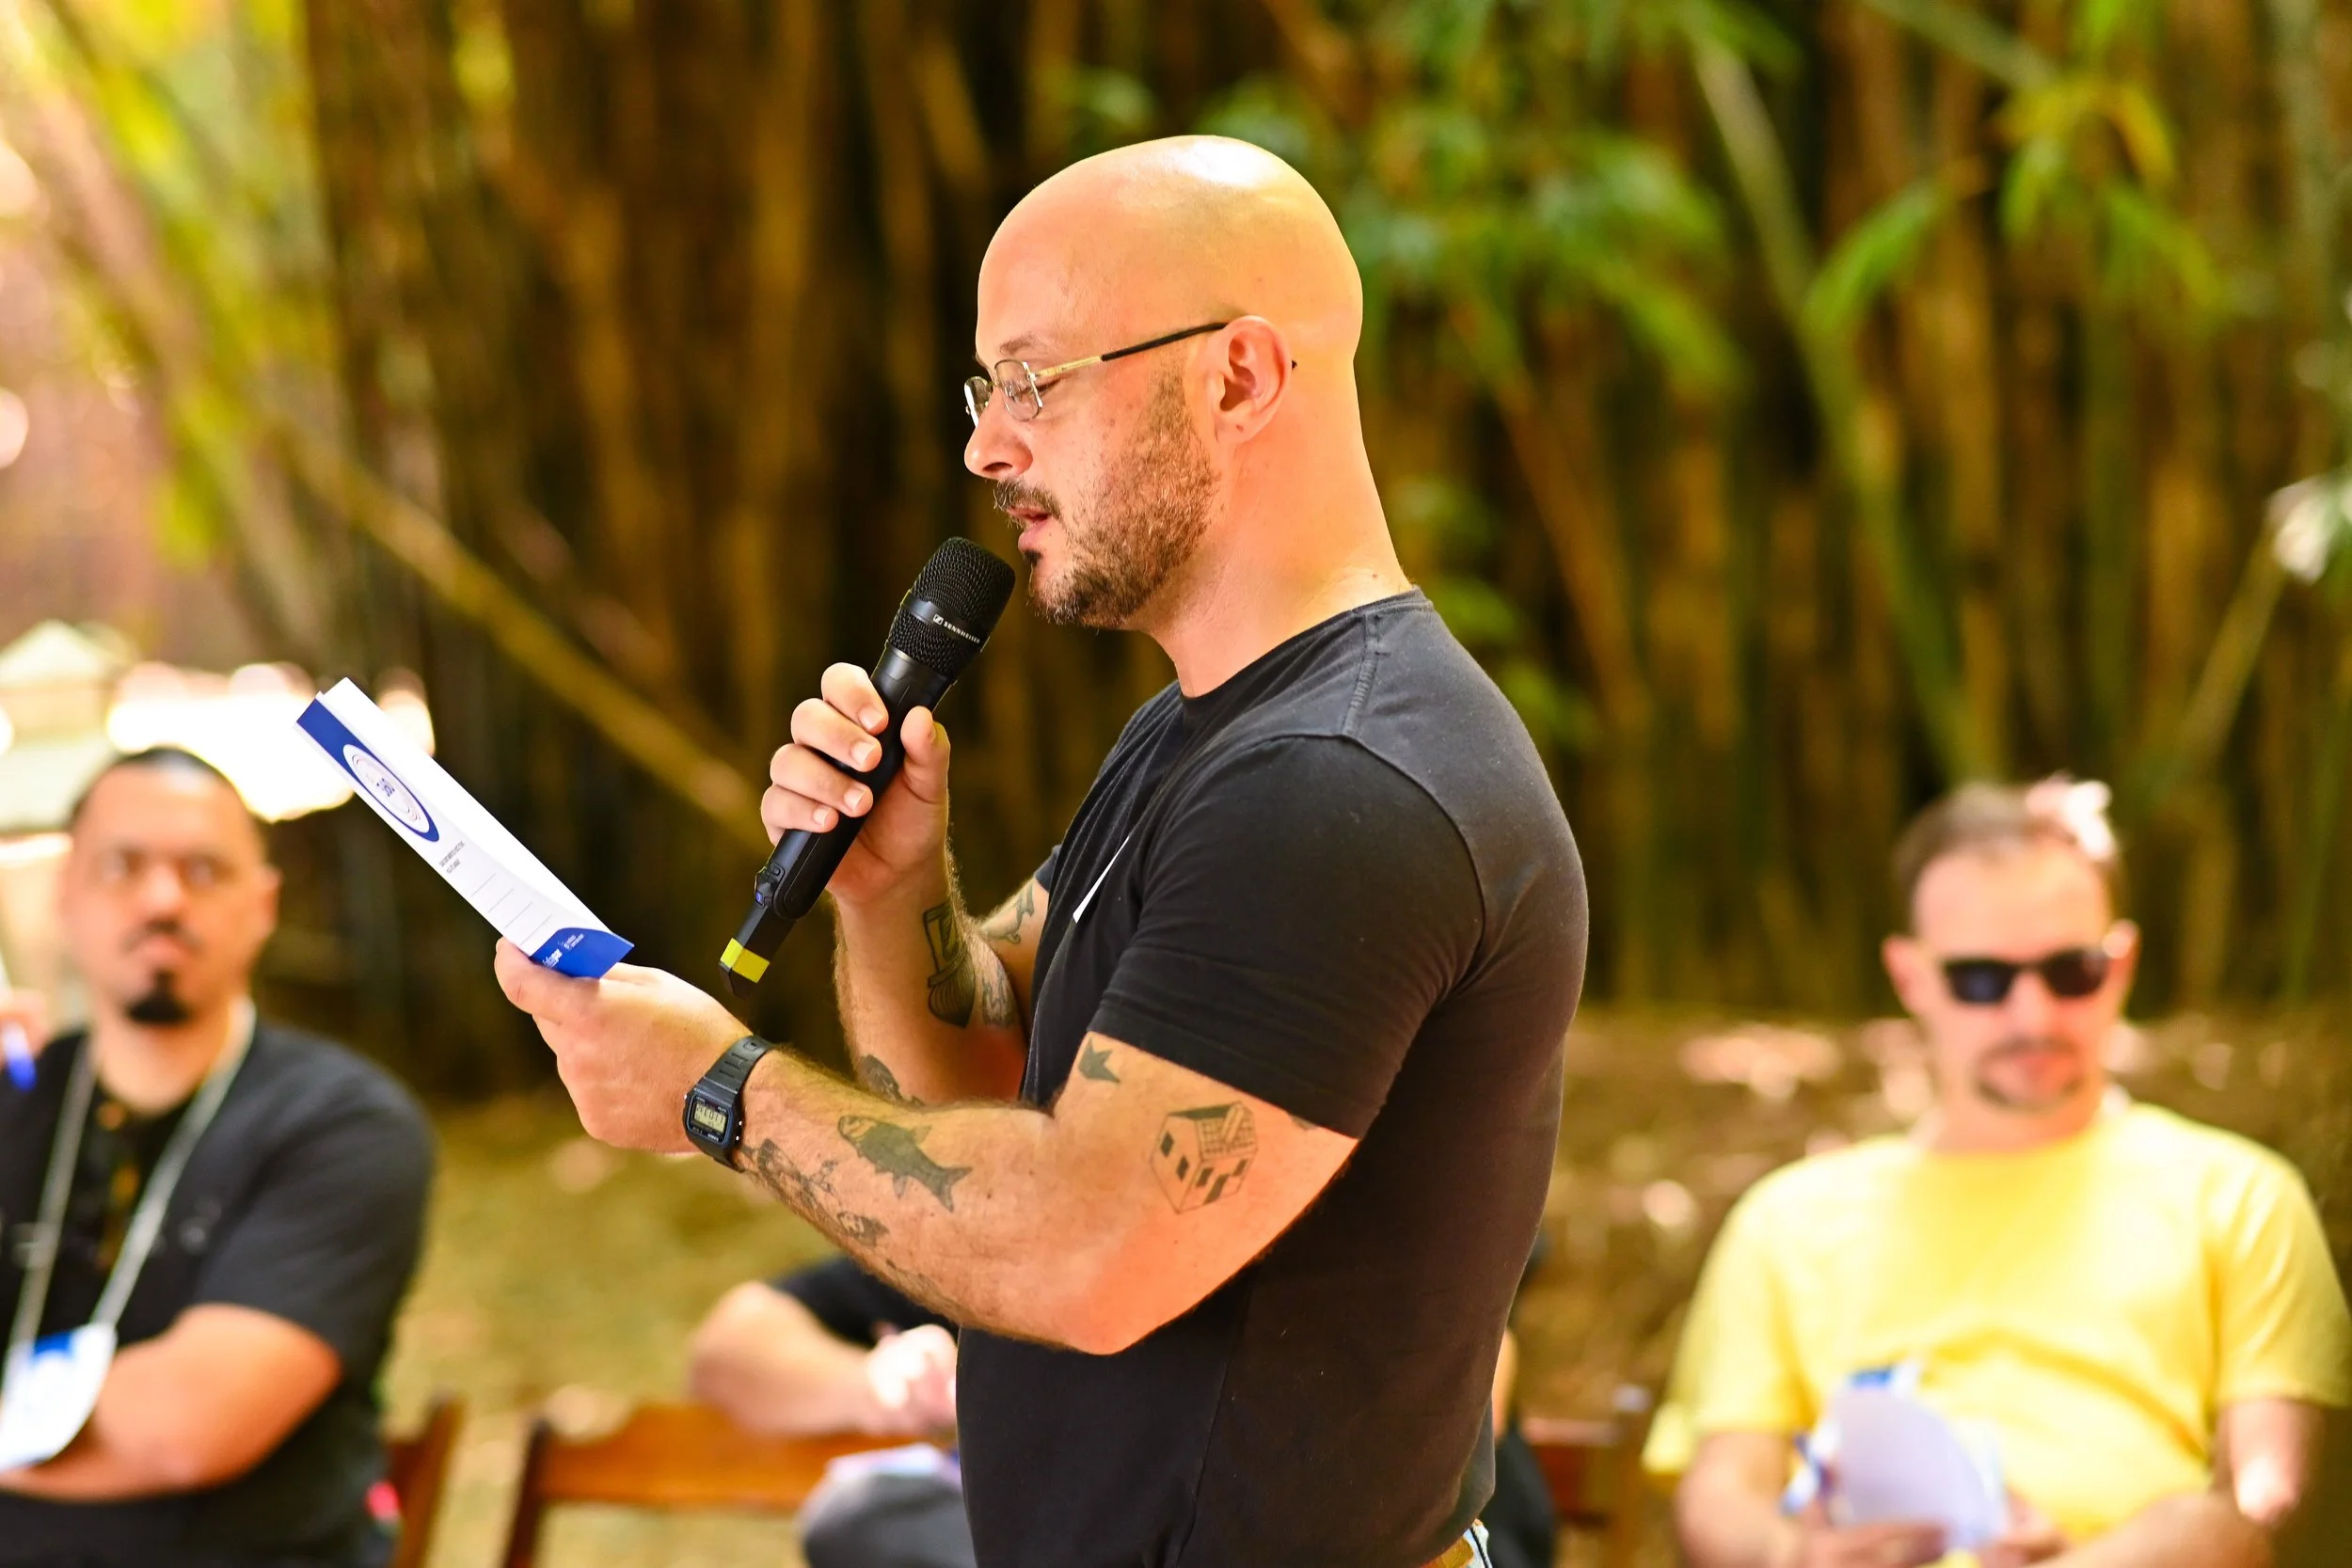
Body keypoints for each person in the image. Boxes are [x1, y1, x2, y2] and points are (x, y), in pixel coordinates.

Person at [492, 134, 1588, 1568]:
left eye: (1033, 381)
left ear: (1239, 377)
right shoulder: (1205, 732)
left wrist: (720, 1091)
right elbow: (994, 1080)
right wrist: (890, 894)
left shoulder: (1339, 779)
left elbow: (1088, 1250)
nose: (985, 445)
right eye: (984, 387)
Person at [1645, 779, 2351, 1568]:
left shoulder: (2241, 1197)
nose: (2032, 1016)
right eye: (1982, 979)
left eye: (2070, 971)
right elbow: (1720, 1491)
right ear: (1911, 978)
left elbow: (2268, 1501)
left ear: (2120, 965)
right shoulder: (1789, 1219)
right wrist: (1795, 1553)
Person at [0, 748, 436, 1568]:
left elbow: (190, 1425)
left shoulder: (345, 1122)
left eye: (204, 870)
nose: (163, 898)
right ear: (65, 895)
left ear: (262, 905)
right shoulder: (15, 1095)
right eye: (122, 865)